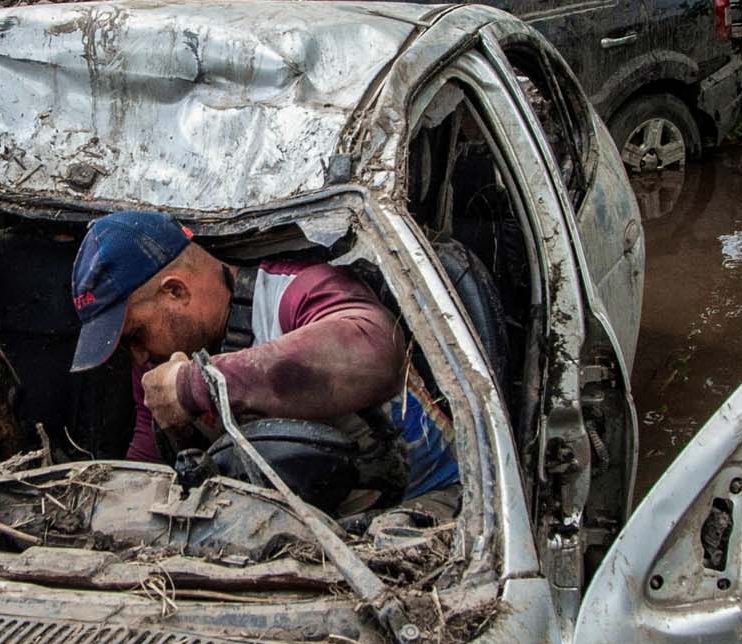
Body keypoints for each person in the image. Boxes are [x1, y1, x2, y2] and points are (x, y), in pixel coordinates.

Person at [69, 210, 460, 510]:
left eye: (135, 335)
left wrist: (198, 384)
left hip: (425, 506)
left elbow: (374, 352)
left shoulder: (296, 293)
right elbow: (148, 461)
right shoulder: (158, 360)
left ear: (176, 292)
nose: (137, 356)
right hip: (303, 525)